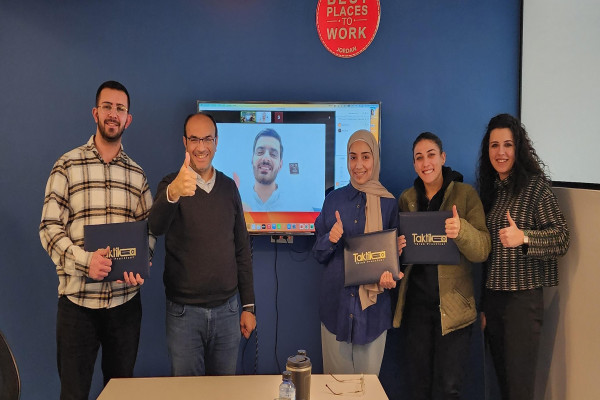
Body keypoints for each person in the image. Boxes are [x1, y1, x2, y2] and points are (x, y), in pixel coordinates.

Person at [39, 80, 155, 399]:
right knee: (73, 393)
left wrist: (141, 265)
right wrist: (85, 261)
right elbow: (49, 228)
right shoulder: (66, 165)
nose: (113, 114)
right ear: (95, 113)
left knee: (120, 393)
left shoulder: (137, 176)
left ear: (128, 118)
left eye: (120, 108)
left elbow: (148, 233)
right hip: (77, 306)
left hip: (124, 306)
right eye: (107, 107)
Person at [148, 112, 256, 376]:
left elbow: (241, 249)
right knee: (187, 393)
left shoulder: (229, 188)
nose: (201, 147)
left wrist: (248, 306)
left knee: (224, 393)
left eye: (207, 139)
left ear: (216, 142)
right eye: (194, 139)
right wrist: (173, 193)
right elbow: (155, 227)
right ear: (184, 143)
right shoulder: (170, 185)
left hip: (228, 311)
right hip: (184, 314)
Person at [477, 114, 569, 400]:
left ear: (518, 148)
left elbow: (562, 238)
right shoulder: (492, 191)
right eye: (494, 146)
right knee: (501, 386)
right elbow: (487, 255)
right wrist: (483, 306)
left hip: (523, 302)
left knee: (519, 390)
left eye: (507, 144)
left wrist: (525, 237)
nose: (501, 152)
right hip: (494, 302)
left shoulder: (535, 188)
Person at [392, 132, 491, 399]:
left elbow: (482, 248)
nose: (426, 163)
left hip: (454, 310)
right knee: (418, 388)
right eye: (419, 158)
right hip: (416, 311)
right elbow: (397, 257)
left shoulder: (466, 194)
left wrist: (462, 231)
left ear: (443, 157)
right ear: (414, 164)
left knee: (449, 389)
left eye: (431, 155)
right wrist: (397, 250)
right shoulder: (407, 199)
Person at [312, 129, 405, 375]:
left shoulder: (389, 203)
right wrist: (330, 239)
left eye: (365, 157)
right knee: (335, 390)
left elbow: (394, 260)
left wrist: (390, 276)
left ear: (375, 159)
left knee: (368, 391)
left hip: (372, 314)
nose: (359, 165)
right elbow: (319, 255)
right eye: (353, 157)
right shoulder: (333, 200)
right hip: (336, 310)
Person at [243, 128, 285, 211]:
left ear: (280, 164)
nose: (266, 158)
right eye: (260, 152)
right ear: (252, 159)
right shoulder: (239, 201)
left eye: (273, 154)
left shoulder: (293, 204)